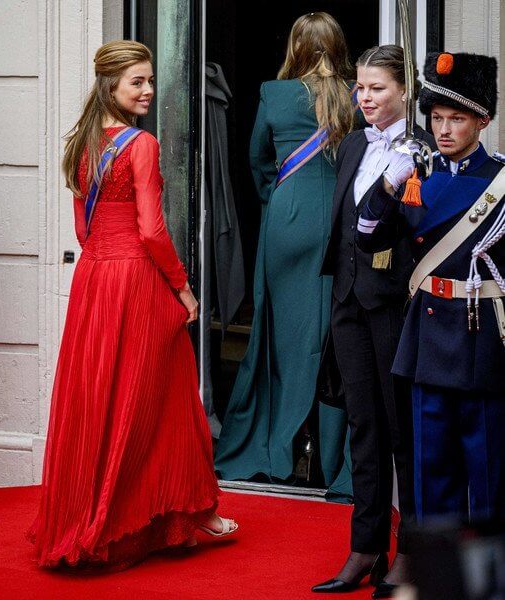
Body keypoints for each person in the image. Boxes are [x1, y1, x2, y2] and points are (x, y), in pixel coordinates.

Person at [27, 40, 237, 569]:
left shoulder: (80, 143)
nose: (147, 90)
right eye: (137, 82)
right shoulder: (139, 145)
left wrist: (104, 256)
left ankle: (105, 513)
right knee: (165, 395)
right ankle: (184, 507)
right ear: (111, 87)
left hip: (94, 279)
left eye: (148, 80)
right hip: (136, 279)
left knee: (100, 396)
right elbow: (151, 229)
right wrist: (183, 287)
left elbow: (82, 226)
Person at [356, 52, 505, 527]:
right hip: (426, 335)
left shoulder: (500, 181)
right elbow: (367, 236)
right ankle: (440, 581)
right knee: (431, 474)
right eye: (436, 118)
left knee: (488, 478)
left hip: (479, 337)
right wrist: (387, 183)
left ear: (481, 120)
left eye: (456, 119)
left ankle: (488, 583)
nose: (443, 130)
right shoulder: (415, 175)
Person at [215, 12, 355, 494]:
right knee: (334, 337)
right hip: (338, 219)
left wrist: (279, 199)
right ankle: (330, 455)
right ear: (337, 47)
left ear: (294, 46)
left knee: (280, 336)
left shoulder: (274, 94)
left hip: (288, 216)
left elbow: (256, 160)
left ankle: (279, 448)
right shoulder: (356, 95)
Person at [313, 46, 435, 597]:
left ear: (404, 91)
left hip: (398, 307)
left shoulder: (425, 149)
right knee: (363, 428)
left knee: (403, 432)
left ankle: (412, 554)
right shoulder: (357, 142)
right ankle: (365, 548)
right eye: (360, 88)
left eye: (377, 88)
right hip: (348, 302)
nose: (365, 98)